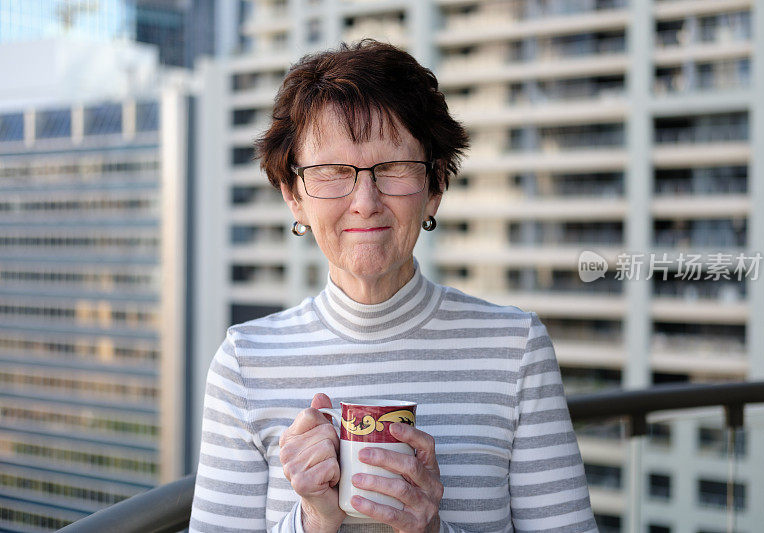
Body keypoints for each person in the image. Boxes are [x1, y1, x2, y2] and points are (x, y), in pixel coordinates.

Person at [189, 39, 598, 533]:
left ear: (435, 187)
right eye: (332, 172)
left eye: (393, 169)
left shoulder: (516, 349)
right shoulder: (244, 364)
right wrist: (314, 521)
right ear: (294, 196)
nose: (365, 200)